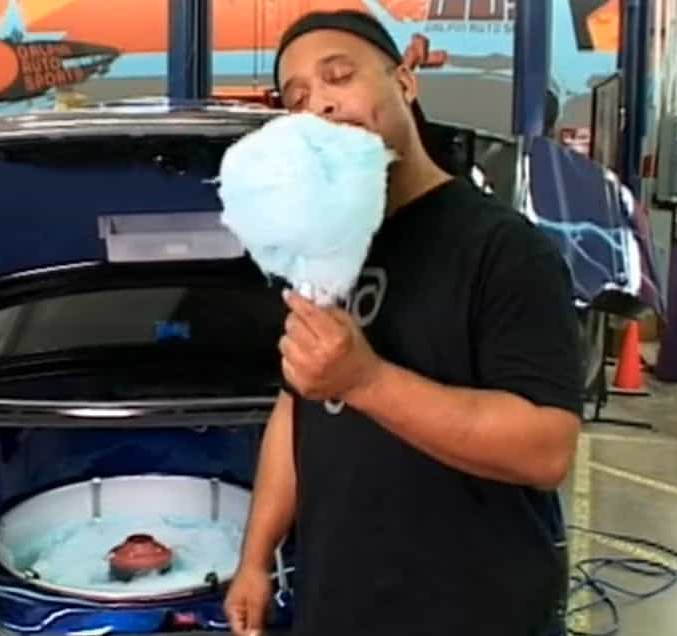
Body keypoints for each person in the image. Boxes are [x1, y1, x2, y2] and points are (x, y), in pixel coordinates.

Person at [223, 10, 583, 636]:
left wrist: (364, 381)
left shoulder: (503, 249)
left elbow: (545, 448)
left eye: (340, 77)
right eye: (298, 98)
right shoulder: (324, 251)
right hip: (337, 605)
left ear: (406, 84)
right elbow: (298, 403)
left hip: (473, 613)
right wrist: (255, 560)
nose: (322, 106)